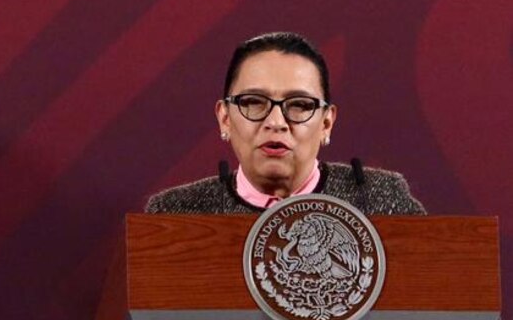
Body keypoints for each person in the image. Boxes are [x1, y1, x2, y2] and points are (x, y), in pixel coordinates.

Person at [145, 31, 425, 215]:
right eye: (254, 102)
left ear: (326, 123)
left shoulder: (380, 200)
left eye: (300, 105)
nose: (276, 122)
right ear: (225, 118)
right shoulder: (176, 212)